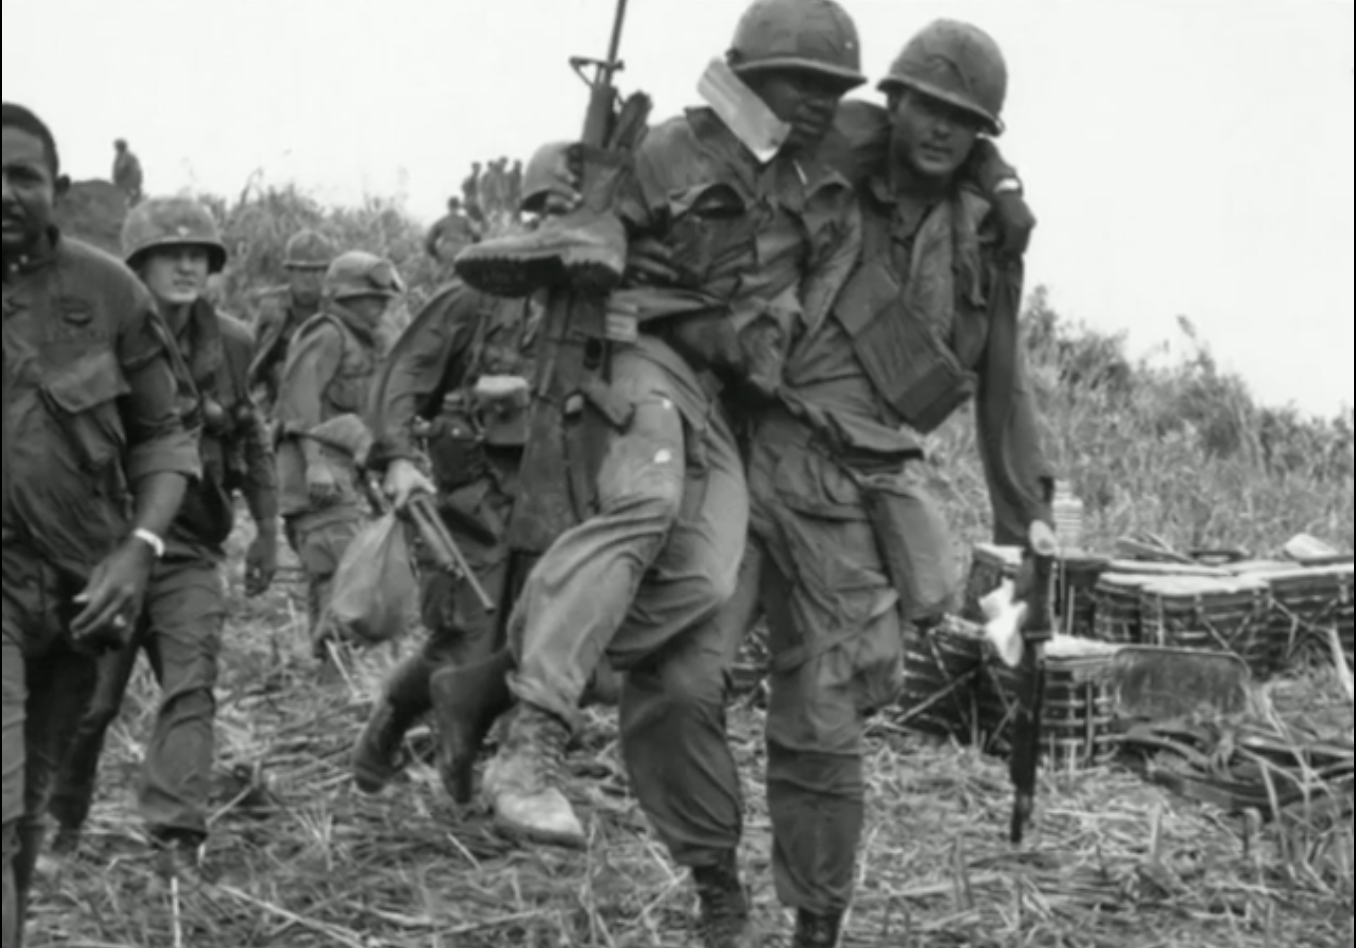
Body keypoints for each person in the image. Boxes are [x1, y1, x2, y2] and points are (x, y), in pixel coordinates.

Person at [458, 3, 869, 945]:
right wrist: (590, 229)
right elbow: (567, 246)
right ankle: (531, 741)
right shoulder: (669, 151)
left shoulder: (819, 183)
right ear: (747, 75)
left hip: (725, 396)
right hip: (638, 354)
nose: (818, 101)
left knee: (703, 579)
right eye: (800, 81)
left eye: (833, 88)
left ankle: (516, 666)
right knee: (646, 506)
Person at [715, 20, 1052, 947]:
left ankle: (815, 923)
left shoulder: (983, 236)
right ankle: (711, 886)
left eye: (965, 120)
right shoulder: (828, 152)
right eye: (927, 106)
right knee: (675, 674)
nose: (942, 129)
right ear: (893, 100)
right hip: (745, 450)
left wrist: (1026, 522)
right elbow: (729, 105)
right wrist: (1003, 174)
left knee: (825, 716)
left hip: (852, 493)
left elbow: (1005, 385)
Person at [2, 103, 200, 948]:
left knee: (27, 811)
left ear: (59, 188)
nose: (4, 192)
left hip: (82, 599)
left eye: (22, 176)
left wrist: (140, 547)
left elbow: (165, 434)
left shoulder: (110, 291)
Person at [44, 197, 278, 881]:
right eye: (169, 254)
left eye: (198, 254)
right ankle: (60, 823)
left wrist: (268, 528)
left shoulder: (231, 342)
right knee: (90, 703)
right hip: (107, 549)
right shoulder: (92, 339)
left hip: (193, 548)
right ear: (137, 266)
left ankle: (176, 835)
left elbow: (249, 436)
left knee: (191, 683)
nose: (186, 266)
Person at [273, 250, 401, 657]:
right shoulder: (327, 334)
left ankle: (331, 672)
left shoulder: (369, 342)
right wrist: (316, 465)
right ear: (346, 298)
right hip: (317, 475)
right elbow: (299, 404)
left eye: (383, 299)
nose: (380, 307)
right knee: (342, 573)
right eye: (371, 298)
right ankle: (337, 675)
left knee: (342, 575)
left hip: (346, 474)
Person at [247, 228, 337, 414]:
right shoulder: (271, 307)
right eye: (302, 270)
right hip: (277, 400)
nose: (309, 278)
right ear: (290, 272)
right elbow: (253, 356)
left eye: (316, 270)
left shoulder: (337, 309)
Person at [424, 197, 479, 265]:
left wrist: (435, 255)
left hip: (446, 252)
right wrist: (472, 248)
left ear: (448, 207)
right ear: (458, 207)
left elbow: (429, 242)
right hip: (463, 251)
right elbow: (477, 235)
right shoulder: (466, 220)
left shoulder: (441, 221)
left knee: (444, 270)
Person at [111, 138, 143, 206]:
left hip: (128, 183)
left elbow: (123, 169)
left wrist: (117, 180)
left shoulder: (125, 156)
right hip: (131, 183)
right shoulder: (126, 156)